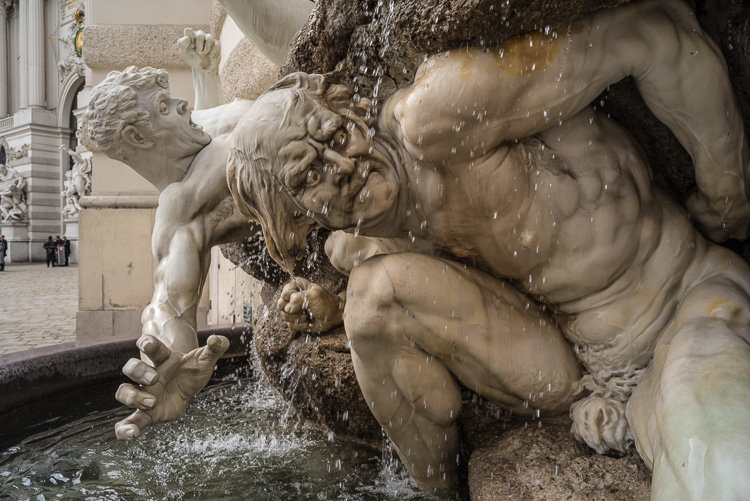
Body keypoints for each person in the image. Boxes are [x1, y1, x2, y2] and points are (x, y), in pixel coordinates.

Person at [225, 1, 750, 498]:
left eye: (336, 136)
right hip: (577, 368)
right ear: (300, 216)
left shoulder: (440, 117)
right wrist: (329, 309)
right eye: (312, 174)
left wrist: (727, 188)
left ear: (354, 113)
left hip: (683, 297)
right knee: (370, 301)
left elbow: (654, 32)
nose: (345, 167)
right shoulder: (361, 247)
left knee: (708, 432)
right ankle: (435, 492)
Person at [85, 29, 259, 441]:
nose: (182, 104)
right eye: (165, 105)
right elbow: (170, 304)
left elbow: (205, 122)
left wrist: (204, 77)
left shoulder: (203, 128)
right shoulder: (180, 206)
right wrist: (169, 359)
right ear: (137, 138)